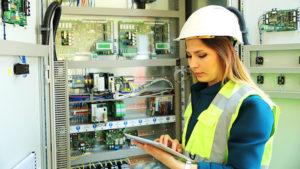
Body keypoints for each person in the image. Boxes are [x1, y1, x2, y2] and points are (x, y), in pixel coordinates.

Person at [133, 5, 280, 169]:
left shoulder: (251, 106)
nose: (193, 64)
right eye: (189, 55)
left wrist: (179, 166)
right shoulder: (199, 93)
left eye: (202, 55)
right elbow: (202, 150)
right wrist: (178, 149)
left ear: (226, 53)